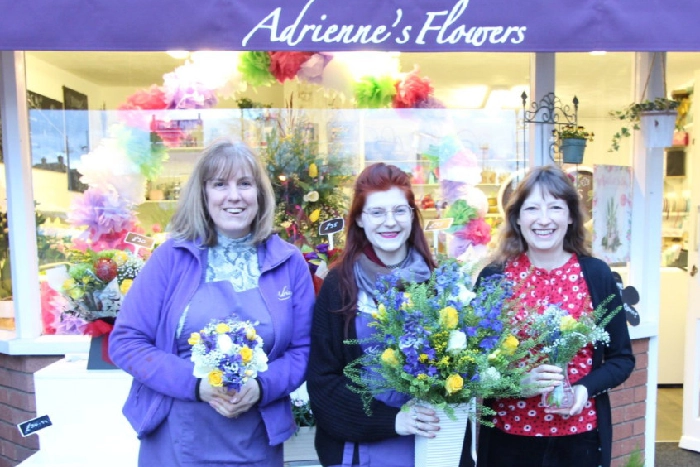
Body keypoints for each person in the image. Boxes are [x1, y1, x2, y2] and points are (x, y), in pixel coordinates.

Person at [109, 138, 315, 467]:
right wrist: (196, 385)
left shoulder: (288, 263)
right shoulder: (170, 259)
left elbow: (304, 351)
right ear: (203, 195)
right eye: (220, 184)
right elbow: (126, 342)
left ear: (259, 194)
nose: (234, 196)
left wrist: (262, 386)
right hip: (177, 437)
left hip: (256, 439)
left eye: (245, 184)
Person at [459, 165, 634, 467]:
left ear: (570, 217)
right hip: (509, 437)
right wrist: (516, 383)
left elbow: (622, 359)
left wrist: (584, 389)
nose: (543, 219)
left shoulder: (596, 274)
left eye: (555, 207)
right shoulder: (495, 277)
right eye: (532, 209)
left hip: (579, 439)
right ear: (517, 218)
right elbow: (471, 365)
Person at [307, 162, 446, 467]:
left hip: (430, 446)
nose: (389, 222)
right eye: (377, 212)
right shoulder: (339, 285)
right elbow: (322, 382)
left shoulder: (438, 283)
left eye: (399, 210)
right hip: (360, 449)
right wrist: (394, 420)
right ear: (359, 219)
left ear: (412, 214)